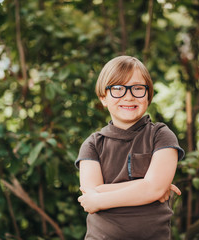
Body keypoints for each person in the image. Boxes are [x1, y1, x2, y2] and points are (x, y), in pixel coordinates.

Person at [76, 56, 185, 239]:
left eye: (137, 88)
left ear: (148, 95)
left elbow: (153, 190)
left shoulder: (161, 136)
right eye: (118, 88)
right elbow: (89, 194)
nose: (129, 96)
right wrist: (146, 186)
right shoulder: (92, 144)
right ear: (103, 97)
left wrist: (100, 196)